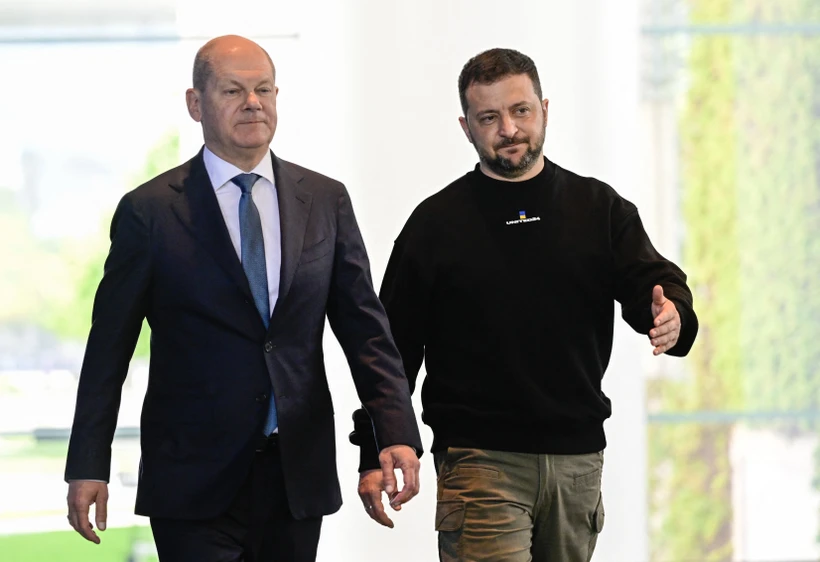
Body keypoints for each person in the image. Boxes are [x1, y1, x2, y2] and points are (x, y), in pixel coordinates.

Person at [64, 35, 423, 562]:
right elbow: (108, 350)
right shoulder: (150, 212)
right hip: (192, 479)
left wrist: (394, 431)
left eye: (264, 89)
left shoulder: (324, 199)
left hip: (295, 474)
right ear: (196, 104)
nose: (253, 103)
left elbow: (366, 330)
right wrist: (87, 464)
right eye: (233, 91)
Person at [350, 48, 698, 561]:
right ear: (466, 128)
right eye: (489, 118)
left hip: (578, 462)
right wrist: (373, 446)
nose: (509, 129)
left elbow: (656, 286)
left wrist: (674, 318)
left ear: (544, 111)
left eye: (521, 111)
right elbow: (390, 352)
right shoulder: (434, 226)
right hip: (479, 461)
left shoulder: (598, 209)